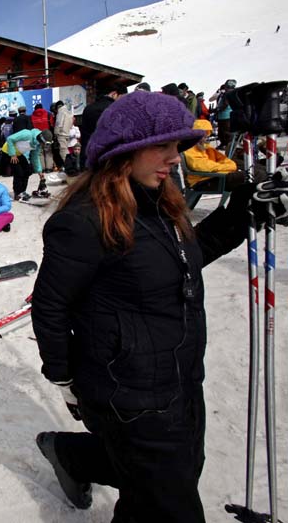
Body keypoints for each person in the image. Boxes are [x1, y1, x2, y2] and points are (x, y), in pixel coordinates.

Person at [31, 91, 266, 522]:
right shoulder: (83, 222)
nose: (175, 158)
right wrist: (64, 378)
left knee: (179, 473)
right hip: (129, 396)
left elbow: (189, 254)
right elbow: (49, 307)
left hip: (181, 379)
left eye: (176, 147)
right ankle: (77, 454)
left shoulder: (159, 202)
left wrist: (241, 211)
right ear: (124, 152)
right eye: (162, 146)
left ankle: (71, 455)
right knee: (167, 506)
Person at [183, 119, 266, 191]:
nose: (205, 137)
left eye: (206, 133)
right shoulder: (189, 148)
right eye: (202, 134)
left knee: (261, 171)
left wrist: (227, 166)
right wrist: (225, 167)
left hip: (218, 175)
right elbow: (202, 166)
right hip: (204, 180)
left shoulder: (206, 147)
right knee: (256, 174)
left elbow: (225, 160)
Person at [80, 84, 128, 169]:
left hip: (87, 156)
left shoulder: (88, 108)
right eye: (123, 97)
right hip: (107, 160)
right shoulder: (115, 109)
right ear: (114, 94)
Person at [3, 128, 54, 201]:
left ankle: (22, 191)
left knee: (27, 171)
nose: (44, 145)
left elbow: (35, 157)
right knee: (19, 172)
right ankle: (18, 193)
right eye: (45, 143)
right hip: (8, 152)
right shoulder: (27, 134)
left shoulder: (37, 144)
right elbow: (10, 139)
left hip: (19, 154)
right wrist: (12, 154)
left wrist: (39, 171)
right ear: (41, 138)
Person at [54, 101, 73, 168]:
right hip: (67, 133)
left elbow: (59, 123)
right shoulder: (69, 112)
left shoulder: (61, 112)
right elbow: (71, 124)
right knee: (66, 150)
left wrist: (55, 133)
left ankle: (69, 166)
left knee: (63, 151)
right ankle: (70, 164)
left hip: (61, 134)